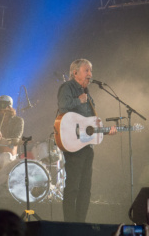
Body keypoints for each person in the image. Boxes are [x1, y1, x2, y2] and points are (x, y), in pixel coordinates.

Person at [57, 58, 116, 223]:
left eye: (91, 71)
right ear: (75, 72)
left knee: (85, 189)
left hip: (87, 144)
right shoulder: (67, 87)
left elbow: (91, 122)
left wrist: (105, 131)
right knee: (73, 186)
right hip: (72, 142)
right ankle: (70, 224)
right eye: (86, 70)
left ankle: (80, 224)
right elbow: (63, 106)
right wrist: (79, 100)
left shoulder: (88, 93)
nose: (90, 74)